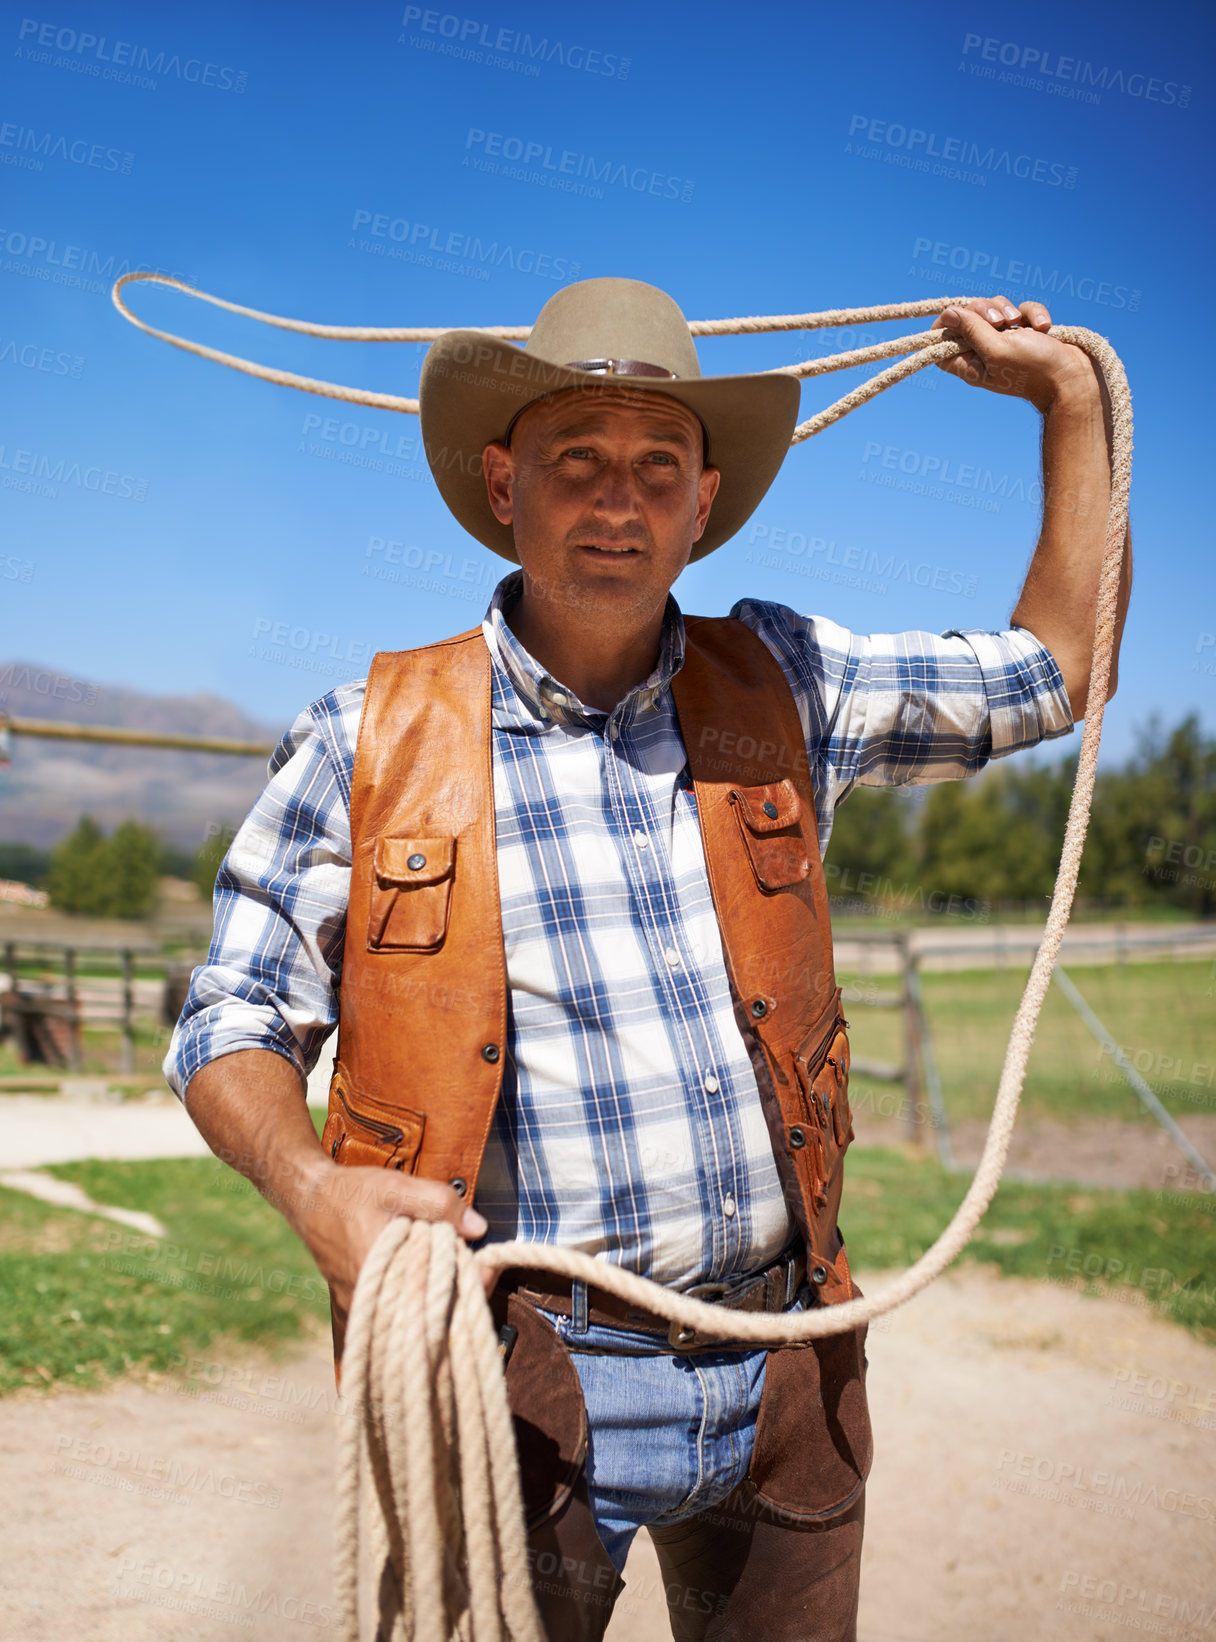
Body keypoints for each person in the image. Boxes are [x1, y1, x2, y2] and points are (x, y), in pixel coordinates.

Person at [166, 277, 1131, 1640]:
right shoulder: (367, 735)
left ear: (702, 499)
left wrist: (1069, 404)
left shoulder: (791, 681)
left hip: (788, 1356)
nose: (618, 502)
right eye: (578, 463)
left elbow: (1059, 667)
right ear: (505, 484)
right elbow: (229, 1018)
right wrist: (311, 1186)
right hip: (516, 1374)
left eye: (655, 469)